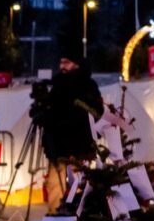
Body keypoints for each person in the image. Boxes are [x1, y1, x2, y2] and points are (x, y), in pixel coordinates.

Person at [33, 50, 102, 209]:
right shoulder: (58, 84)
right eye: (61, 62)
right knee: (54, 182)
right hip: (57, 143)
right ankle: (55, 214)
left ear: (76, 64)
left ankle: (77, 214)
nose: (62, 66)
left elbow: (94, 112)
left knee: (77, 182)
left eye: (67, 63)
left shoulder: (87, 85)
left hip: (79, 142)